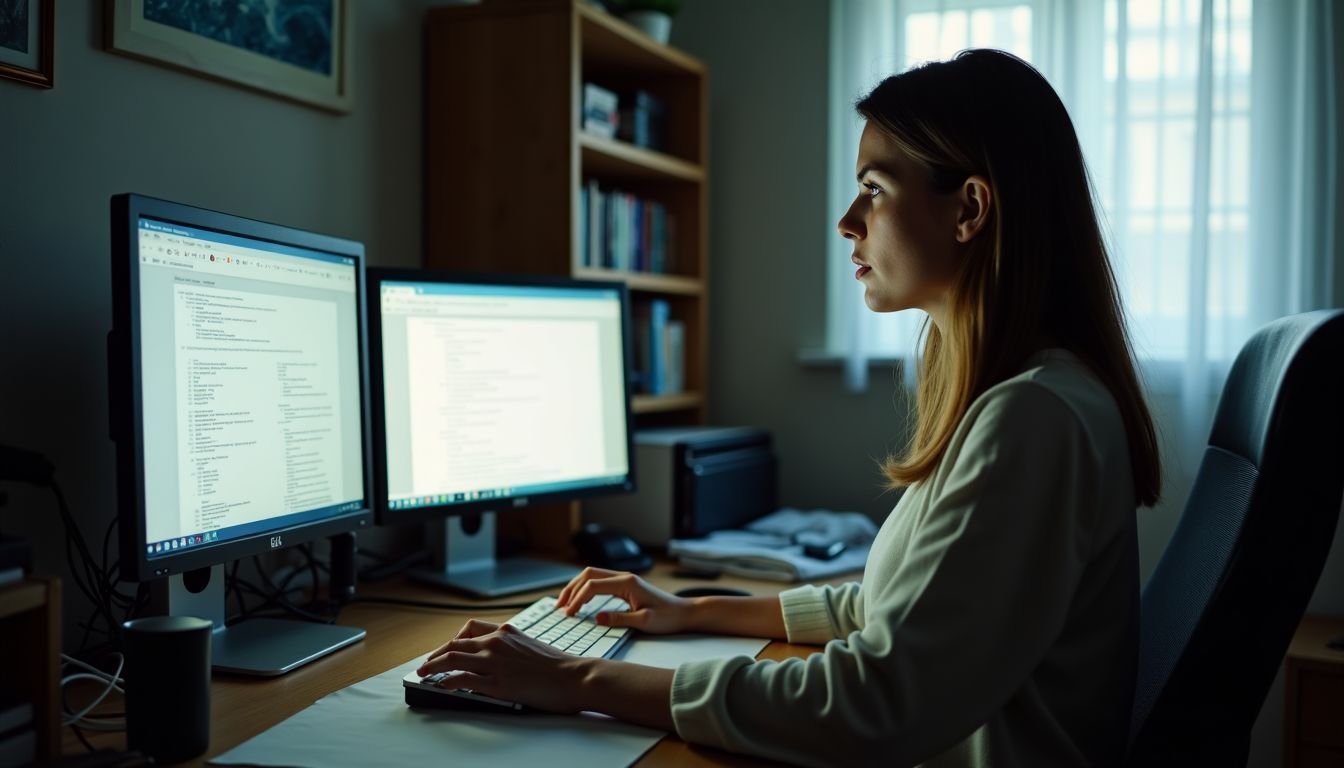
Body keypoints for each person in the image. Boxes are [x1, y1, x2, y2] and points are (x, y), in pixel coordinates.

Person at [415, 49, 1161, 767]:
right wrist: (690, 609)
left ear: (969, 209)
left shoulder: (1035, 421)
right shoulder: (1025, 401)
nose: (846, 220)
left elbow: (876, 703)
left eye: (873, 189)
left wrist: (573, 681)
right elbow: (890, 610)